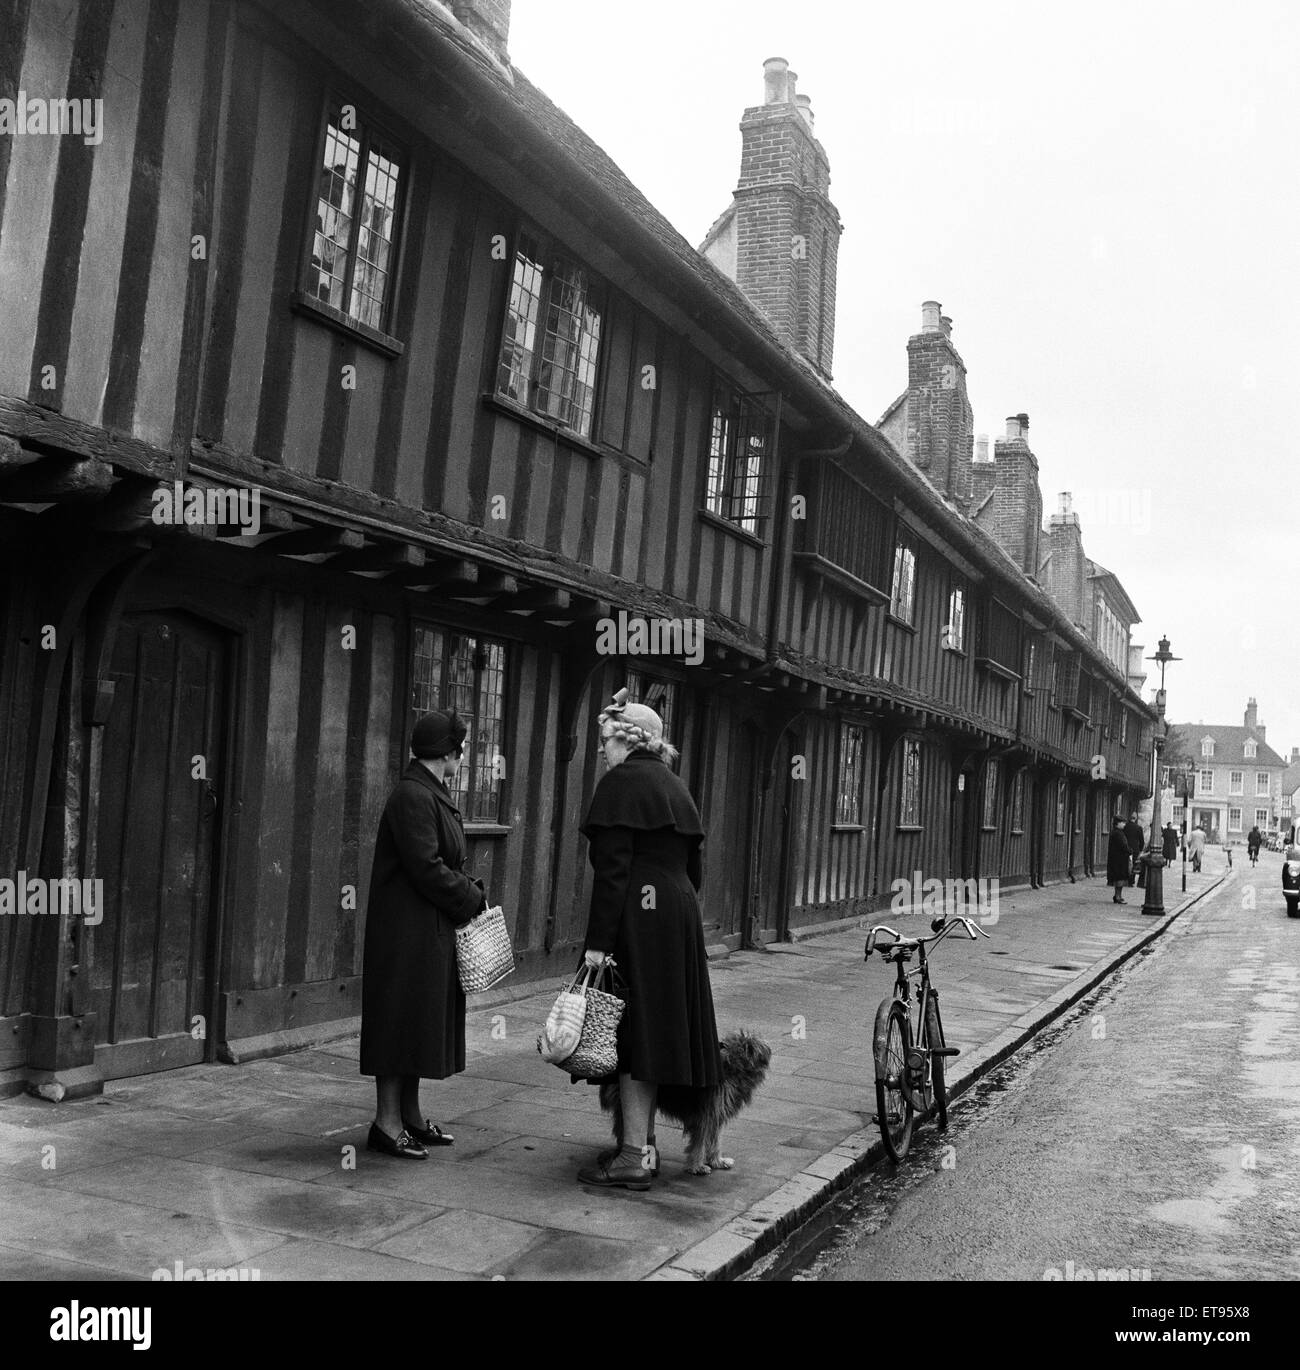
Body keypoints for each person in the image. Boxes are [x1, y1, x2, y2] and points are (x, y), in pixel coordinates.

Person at [575, 688, 722, 1191]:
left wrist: (597, 943)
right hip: (676, 914)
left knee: (632, 1036)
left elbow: (612, 873)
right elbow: (694, 870)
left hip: (638, 915)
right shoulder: (676, 788)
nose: (601, 749)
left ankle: (635, 1157)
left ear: (628, 740)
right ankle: (643, 1146)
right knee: (655, 1032)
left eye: (606, 739)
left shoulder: (621, 786)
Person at [360, 711, 487, 1159]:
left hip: (425, 930)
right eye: (460, 749)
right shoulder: (413, 796)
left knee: (414, 1024)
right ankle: (386, 1124)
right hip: (405, 935)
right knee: (397, 1025)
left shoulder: (428, 791)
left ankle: (409, 1117)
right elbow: (426, 867)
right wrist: (471, 897)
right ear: (448, 752)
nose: (461, 756)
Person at [1107, 814, 1132, 904]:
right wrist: (1130, 851)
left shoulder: (1116, 833)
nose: (1124, 824)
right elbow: (1123, 846)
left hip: (1117, 858)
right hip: (1119, 859)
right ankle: (1118, 896)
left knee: (1119, 878)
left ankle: (1118, 896)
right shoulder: (1118, 834)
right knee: (1120, 878)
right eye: (1122, 823)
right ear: (1117, 824)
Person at [1124, 811, 1146, 887]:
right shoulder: (1138, 828)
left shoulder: (1125, 827)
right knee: (1134, 865)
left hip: (1126, 848)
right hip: (1135, 849)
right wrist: (1140, 849)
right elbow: (1141, 840)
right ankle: (1131, 881)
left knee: (1125, 863)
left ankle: (1125, 879)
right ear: (1136, 818)